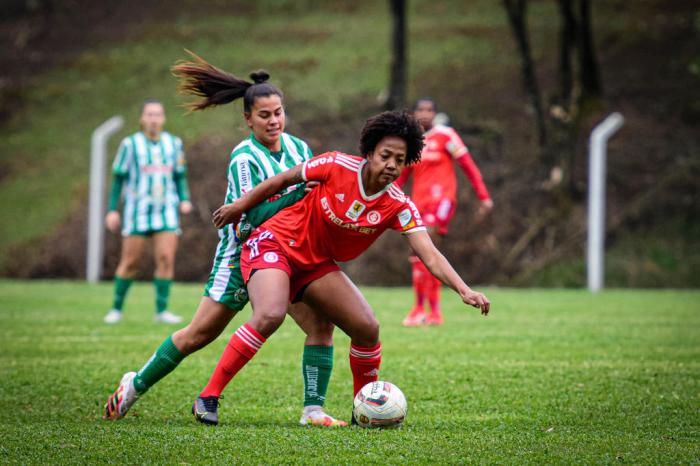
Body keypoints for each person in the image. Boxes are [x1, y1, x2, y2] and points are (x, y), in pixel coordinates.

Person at [194, 110, 490, 425]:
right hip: (274, 243)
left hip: (315, 263)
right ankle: (208, 396)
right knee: (270, 314)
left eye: (399, 160)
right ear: (370, 153)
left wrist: (464, 289)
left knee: (366, 327)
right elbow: (283, 179)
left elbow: (430, 254)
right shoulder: (336, 165)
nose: (391, 164)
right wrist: (241, 206)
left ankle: (362, 410)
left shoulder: (398, 205)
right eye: (385, 155)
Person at [103, 52, 346, 428]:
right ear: (247, 118)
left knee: (321, 325)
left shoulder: (299, 149)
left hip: (287, 254)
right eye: (264, 115)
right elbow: (252, 213)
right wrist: (299, 193)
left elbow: (311, 199)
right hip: (242, 255)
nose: (274, 121)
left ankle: (312, 410)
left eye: (279, 112)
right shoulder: (243, 157)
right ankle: (134, 385)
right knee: (198, 335)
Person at [397, 98, 494, 327]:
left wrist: (484, 196)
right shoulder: (413, 142)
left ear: (436, 113)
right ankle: (421, 309)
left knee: (427, 244)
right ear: (414, 113)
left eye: (429, 110)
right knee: (418, 254)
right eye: (420, 110)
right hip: (418, 203)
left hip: (441, 200)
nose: (425, 113)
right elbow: (401, 176)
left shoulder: (446, 135)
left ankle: (433, 312)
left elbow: (468, 166)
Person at [103, 99, 192, 325]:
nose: (154, 119)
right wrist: (112, 209)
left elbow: (179, 175)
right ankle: (116, 309)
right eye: (149, 115)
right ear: (143, 118)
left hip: (166, 211)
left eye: (158, 115)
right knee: (131, 261)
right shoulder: (130, 144)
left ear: (163, 118)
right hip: (138, 212)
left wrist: (185, 199)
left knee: (165, 258)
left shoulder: (174, 143)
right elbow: (118, 178)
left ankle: (161, 311)